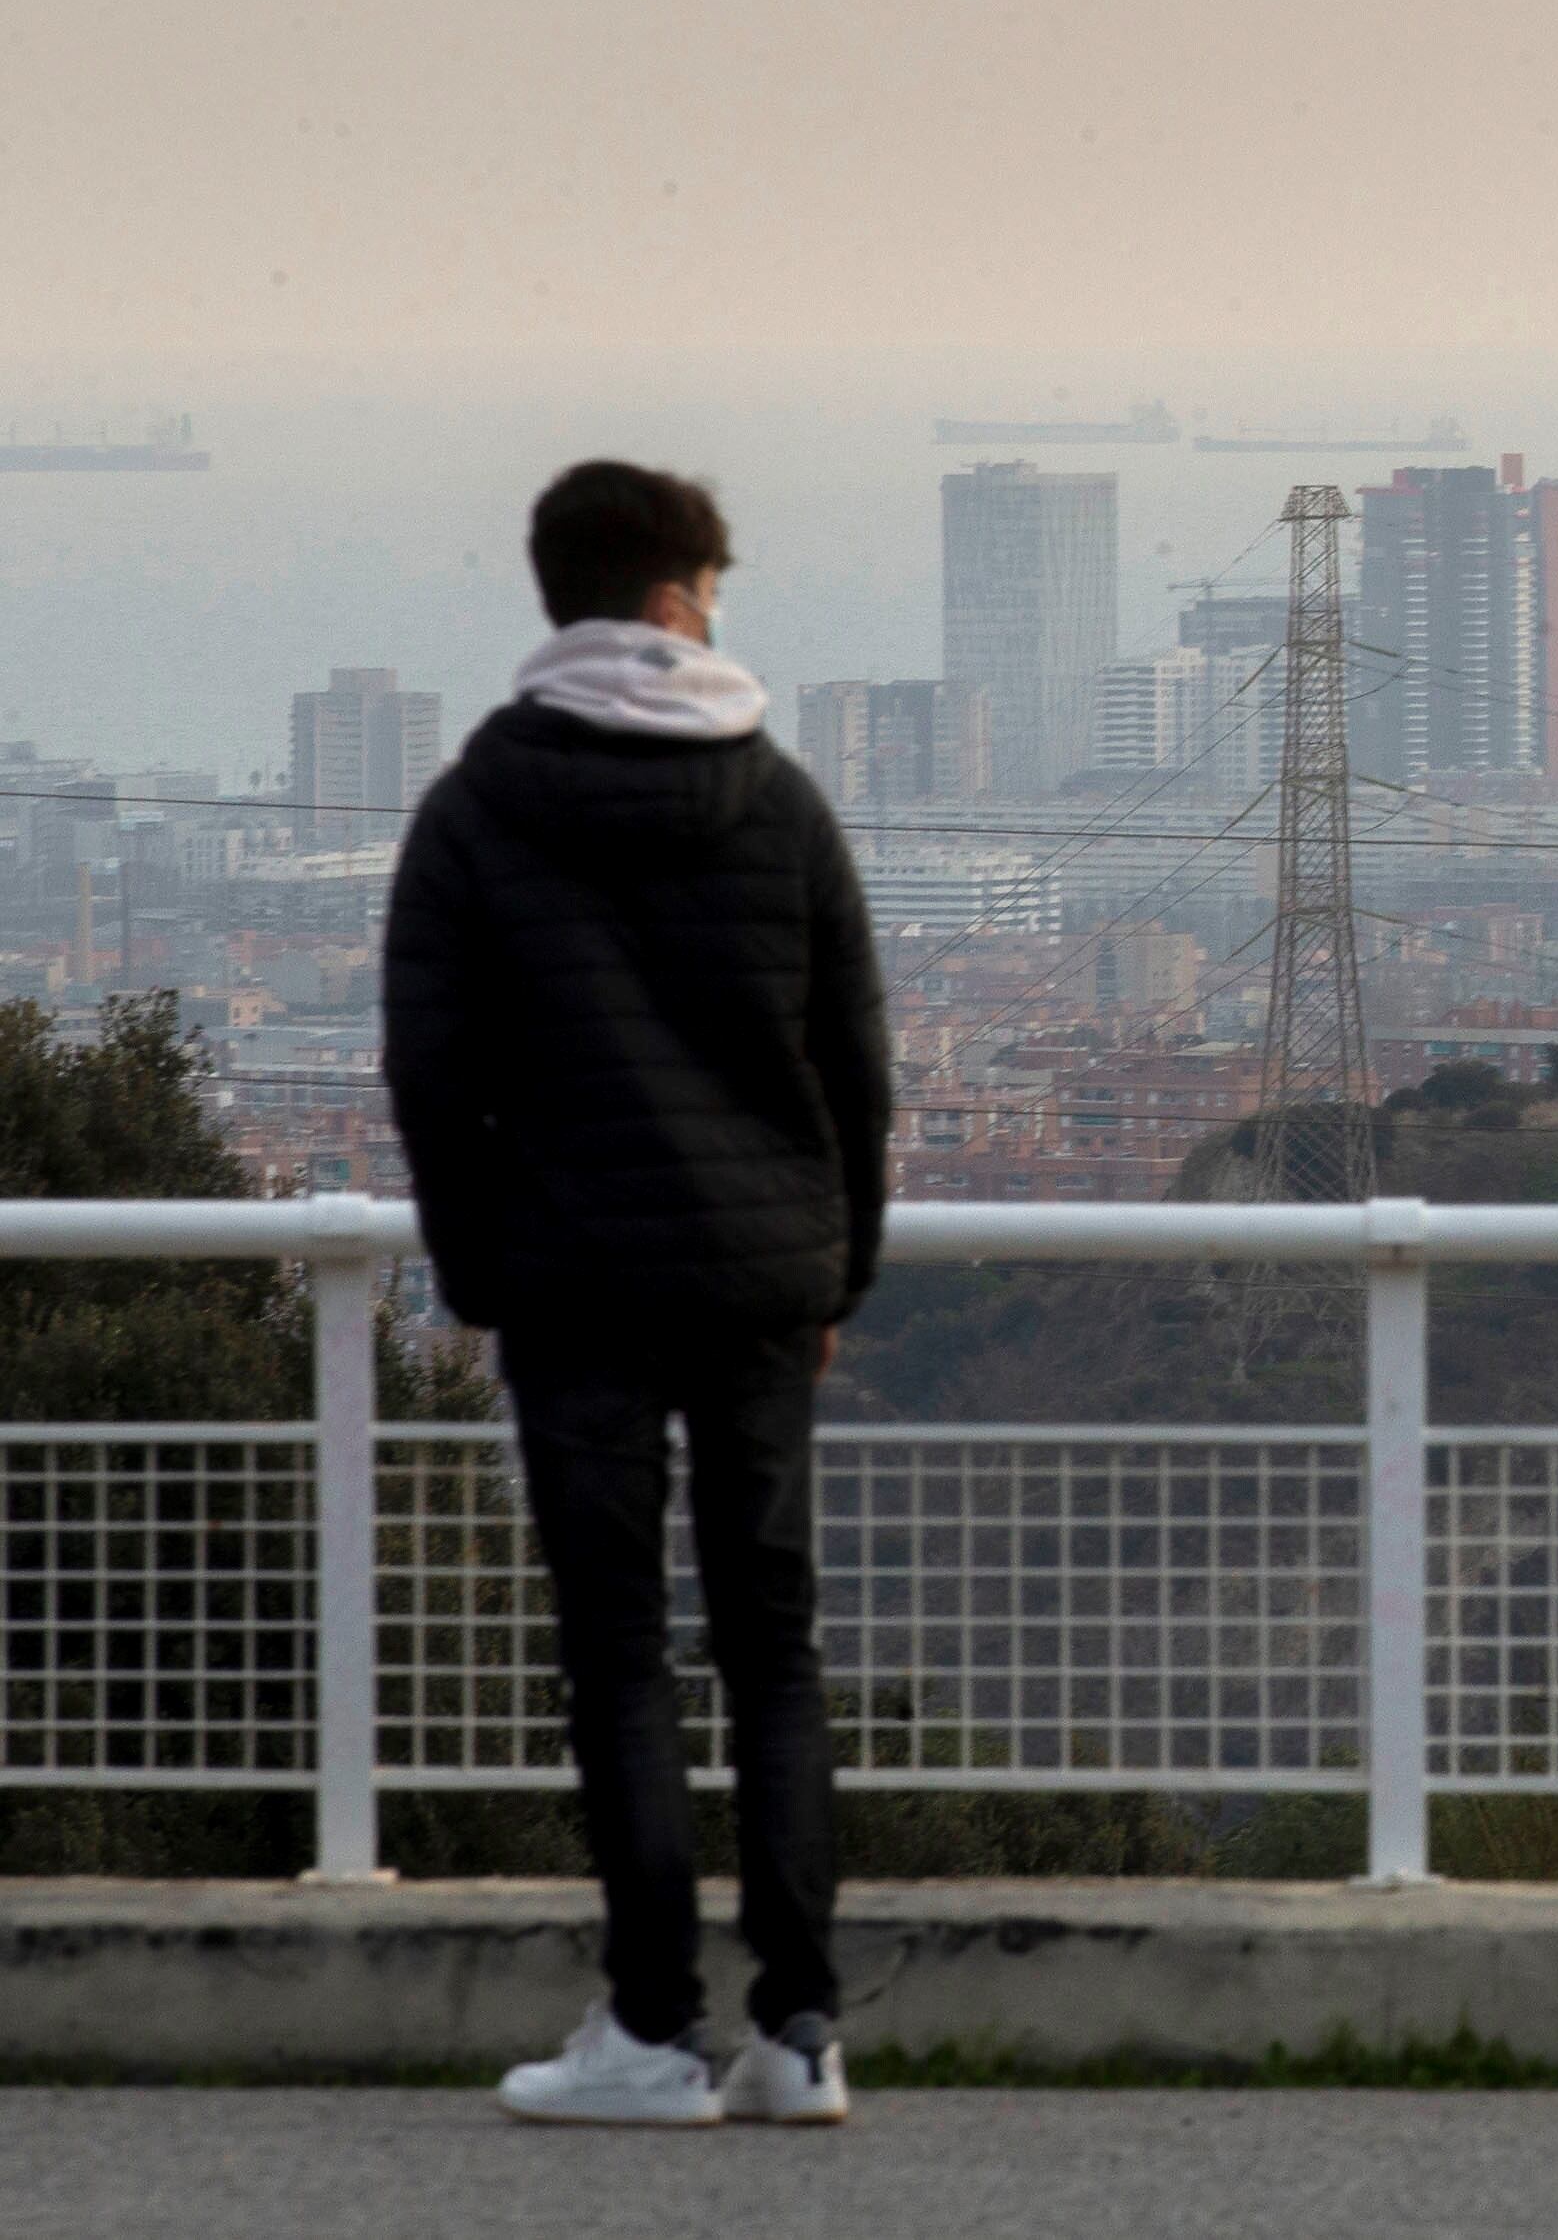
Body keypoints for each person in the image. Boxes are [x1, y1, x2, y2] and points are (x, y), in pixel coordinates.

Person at [383, 460, 891, 2126]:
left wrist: (476, 1271)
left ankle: (655, 2035)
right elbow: (855, 1064)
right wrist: (839, 1267)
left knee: (618, 1654)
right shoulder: (782, 801)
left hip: (575, 1286)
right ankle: (802, 2034)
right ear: (679, 592)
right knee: (775, 1646)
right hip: (760, 1283)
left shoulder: (475, 807)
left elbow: (432, 1076)